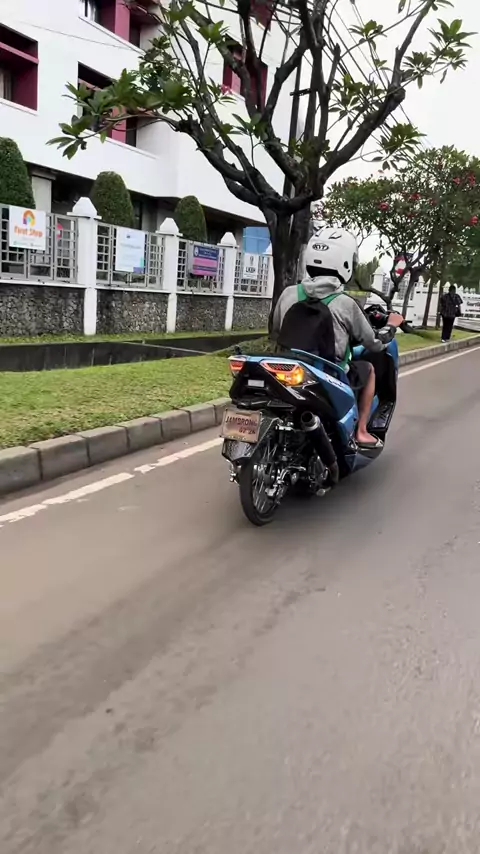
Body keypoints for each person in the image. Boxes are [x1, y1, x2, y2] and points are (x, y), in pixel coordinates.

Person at [271, 228, 404, 449]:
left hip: (287, 369)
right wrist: (392, 325)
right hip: (328, 374)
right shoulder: (345, 304)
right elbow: (375, 343)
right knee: (369, 369)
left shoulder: (289, 294)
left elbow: (276, 330)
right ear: (345, 263)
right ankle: (361, 431)